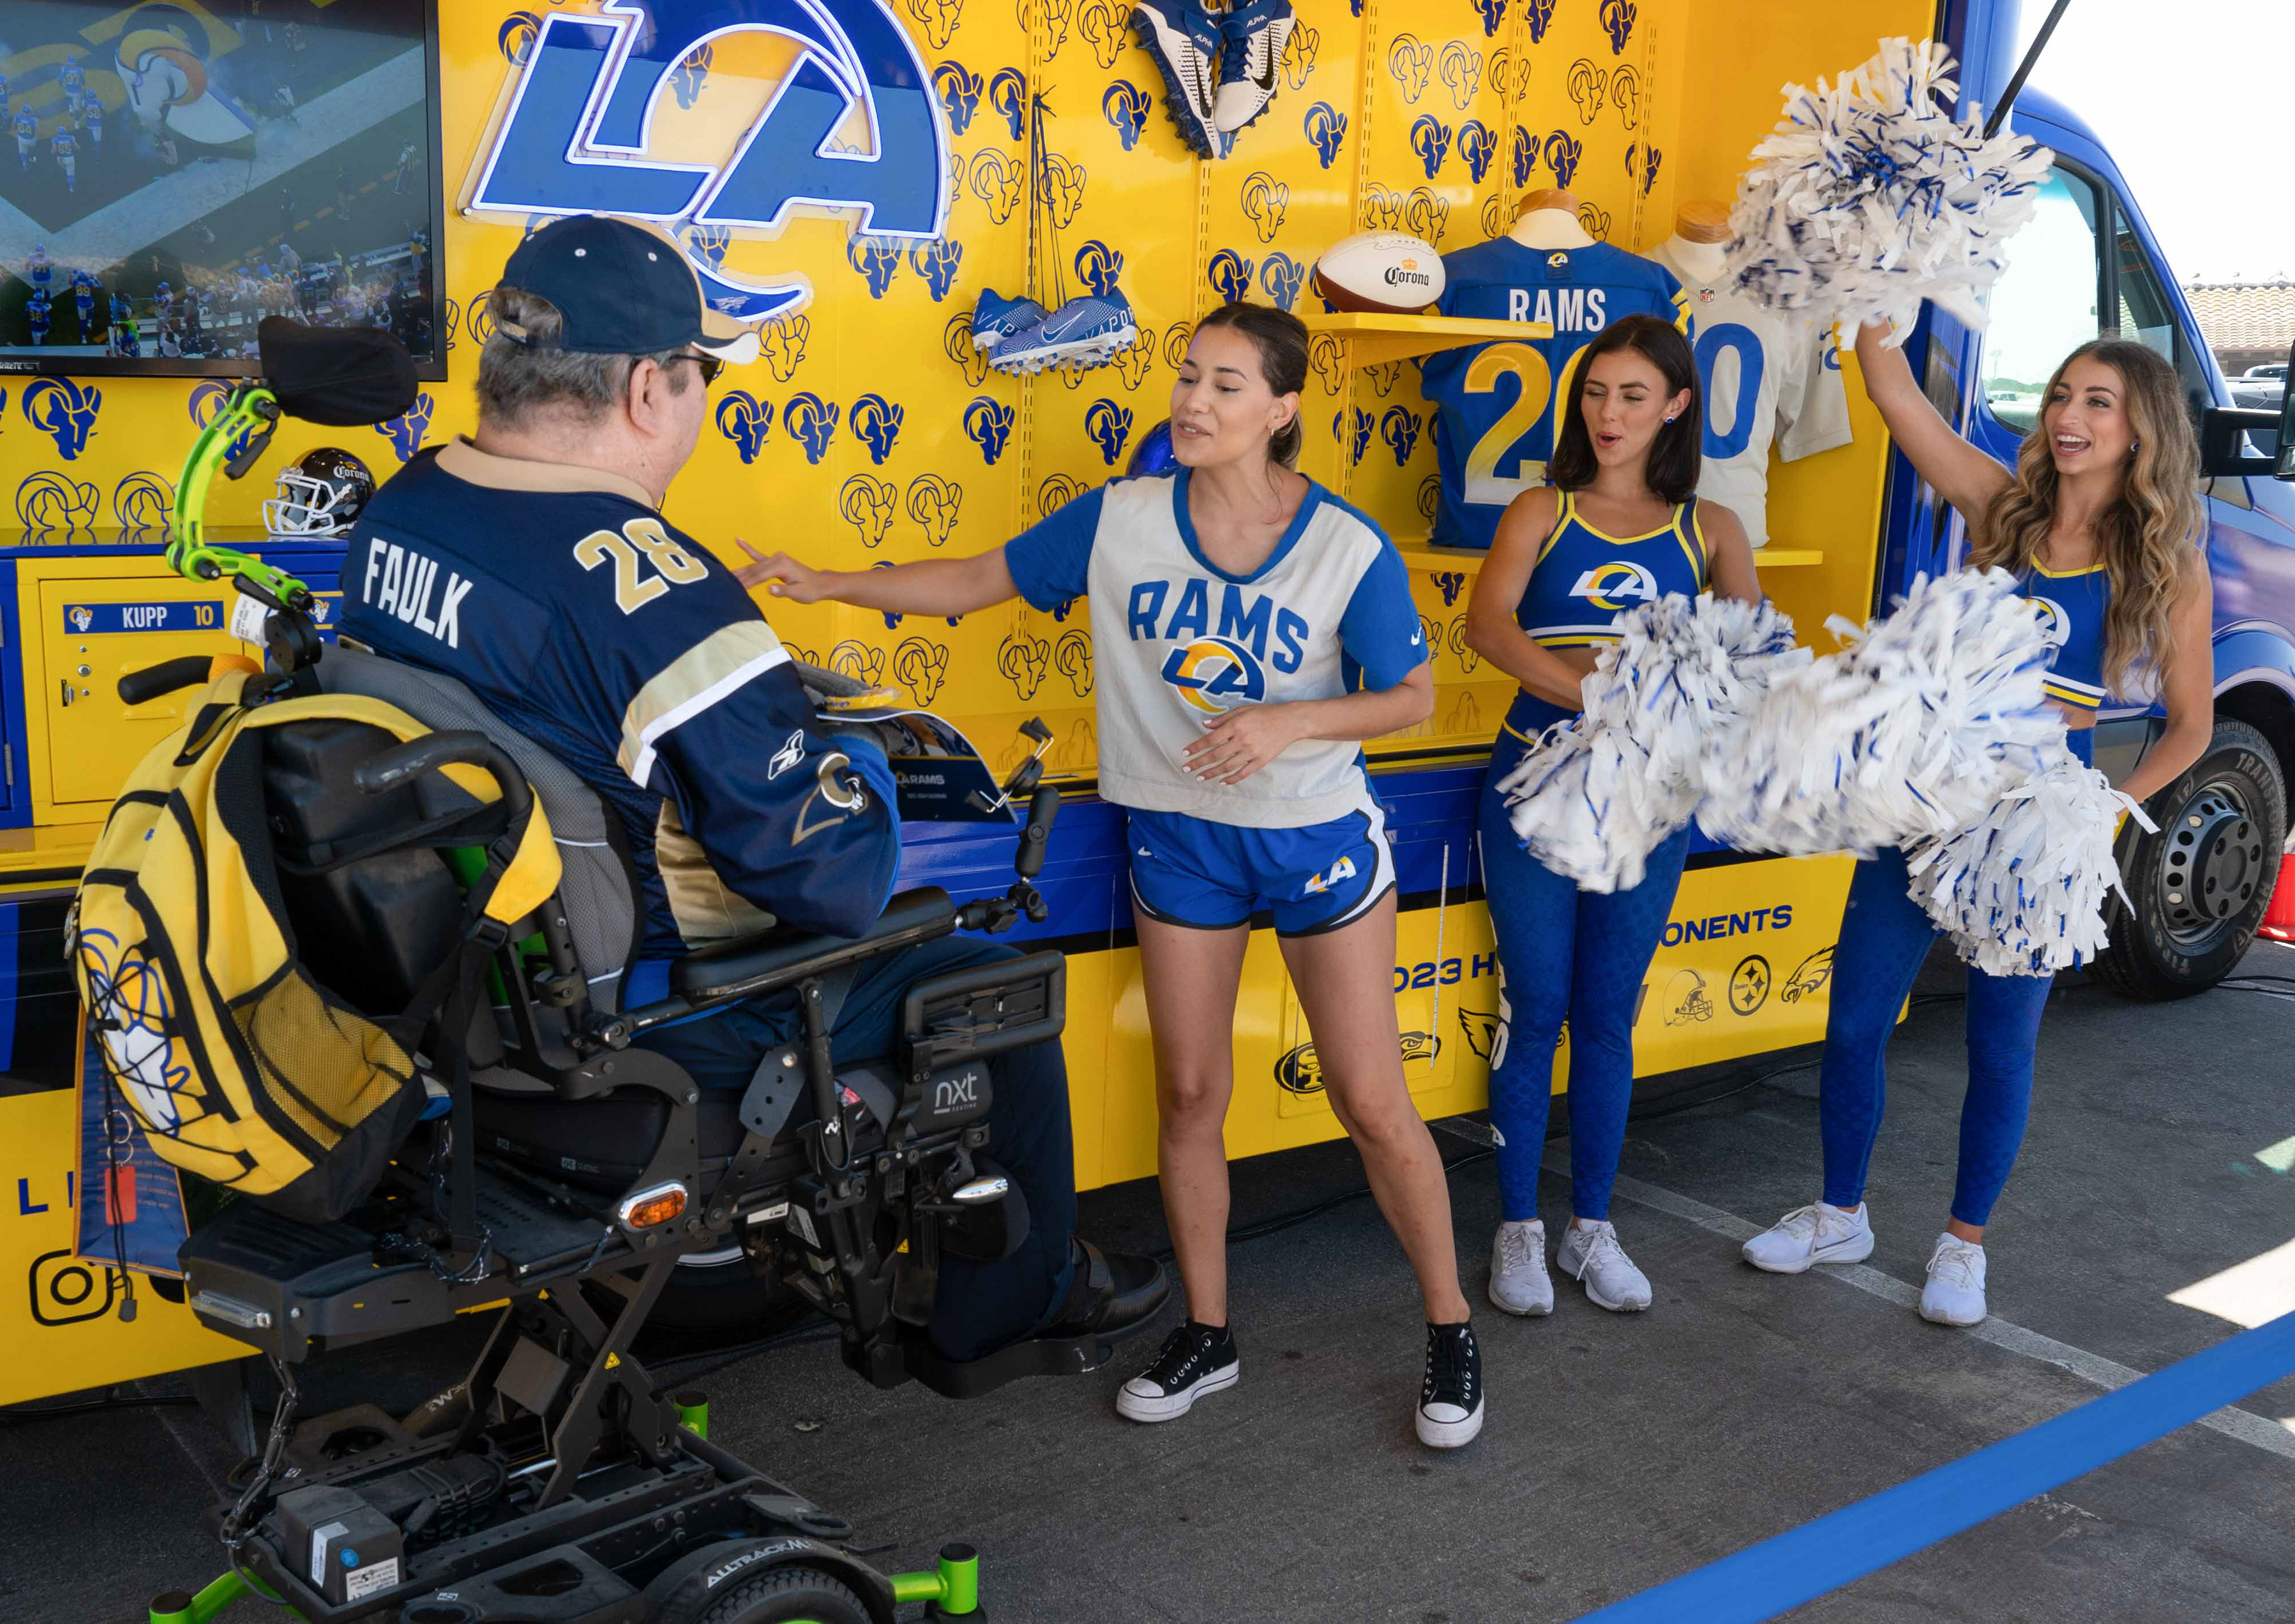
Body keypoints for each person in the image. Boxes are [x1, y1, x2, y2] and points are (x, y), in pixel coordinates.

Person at [338, 214, 1164, 1366]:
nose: (699, 405)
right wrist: (851, 751)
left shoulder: (406, 506)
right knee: (985, 978)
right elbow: (835, 880)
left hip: (459, 1000)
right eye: (703, 377)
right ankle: (1010, 1311)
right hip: (657, 1026)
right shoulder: (666, 598)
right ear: (646, 390)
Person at [738, 301, 1487, 1449]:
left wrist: (1289, 722)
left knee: (1371, 1104)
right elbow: (975, 579)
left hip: (1312, 837)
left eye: (1227, 384)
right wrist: (827, 581)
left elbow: (1410, 699)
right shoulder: (1123, 518)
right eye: (1188, 376)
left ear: (1281, 410)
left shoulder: (1346, 546)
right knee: (1188, 1099)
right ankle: (1208, 1331)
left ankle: (1449, 1328)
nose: (1194, 400)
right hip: (1180, 836)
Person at [1740, 325, 2214, 1326]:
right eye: (2063, 395)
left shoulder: (2166, 563)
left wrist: (2104, 812)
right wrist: (1875, 293)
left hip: (2036, 823)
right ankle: (1839, 1214)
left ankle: (1964, 1247)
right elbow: (1895, 396)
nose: (2069, 416)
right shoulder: (2003, 508)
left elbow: (2193, 725)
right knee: (1855, 1020)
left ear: (2140, 432)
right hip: (1926, 798)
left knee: (1999, 1046)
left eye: (2097, 403)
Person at [1461, 313, 1763, 1318]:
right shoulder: (1540, 510)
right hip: (1534, 787)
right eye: (1595, 392)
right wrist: (1597, 696)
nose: (1609, 413)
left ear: (1676, 405)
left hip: (1646, 803)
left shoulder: (1710, 529)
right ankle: (1517, 1227)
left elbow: (1753, 654)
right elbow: (1488, 625)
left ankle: (1591, 1226)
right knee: (1536, 1001)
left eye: (1633, 396)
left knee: (1606, 1014)